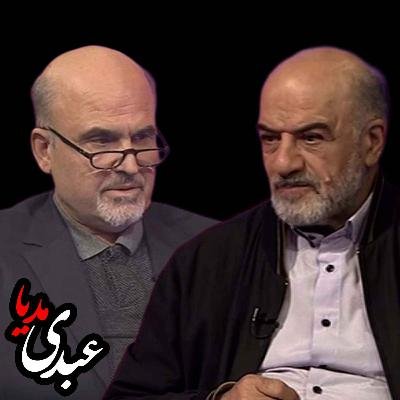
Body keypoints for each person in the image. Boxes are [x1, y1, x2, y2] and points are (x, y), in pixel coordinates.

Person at [104, 47, 400, 400]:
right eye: (270, 139)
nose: (284, 163)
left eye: (311, 138)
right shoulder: (206, 262)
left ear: (372, 142)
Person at [0, 45, 217, 400]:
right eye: (102, 142)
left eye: (142, 138)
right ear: (44, 150)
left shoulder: (214, 246)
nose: (130, 166)